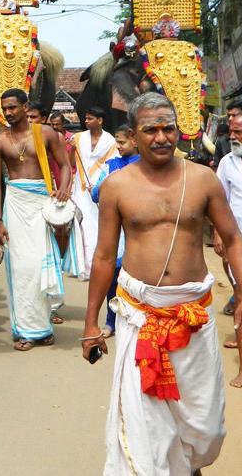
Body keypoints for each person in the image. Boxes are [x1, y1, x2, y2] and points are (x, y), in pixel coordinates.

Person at [82, 92, 242, 475]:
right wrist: (92, 323)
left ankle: (189, 465)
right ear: (132, 133)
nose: (161, 137)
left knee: (205, 426)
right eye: (150, 130)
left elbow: (232, 240)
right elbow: (104, 257)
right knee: (146, 425)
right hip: (140, 317)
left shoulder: (203, 180)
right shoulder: (116, 186)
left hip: (193, 316)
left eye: (168, 128)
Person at [0, 88, 71, 351]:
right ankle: (26, 330)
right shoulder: (0, 142)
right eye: (5, 108)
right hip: (14, 205)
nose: (9, 112)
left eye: (13, 107)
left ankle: (43, 326)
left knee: (40, 267)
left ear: (26, 107)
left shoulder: (46, 133)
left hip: (41, 203)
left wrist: (64, 189)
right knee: (21, 268)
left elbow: (66, 165)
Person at [215, 111, 242, 389]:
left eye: (239, 133)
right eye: (231, 132)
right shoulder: (227, 163)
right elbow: (218, 201)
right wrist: (219, 233)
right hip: (240, 244)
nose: (232, 137)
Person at [90, 125, 139, 337]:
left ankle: (135, 320)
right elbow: (94, 193)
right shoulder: (110, 165)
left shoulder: (144, 166)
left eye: (122, 142)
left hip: (137, 232)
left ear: (134, 141)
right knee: (112, 278)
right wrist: (112, 181)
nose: (118, 146)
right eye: (116, 142)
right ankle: (110, 322)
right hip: (114, 231)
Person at [214, 100, 242, 315]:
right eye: (228, 117)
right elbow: (220, 196)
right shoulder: (226, 155)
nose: (230, 121)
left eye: (235, 116)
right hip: (235, 228)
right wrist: (218, 231)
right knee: (234, 272)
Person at [71, 106, 118, 280]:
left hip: (99, 186)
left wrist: (100, 184)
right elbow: (71, 162)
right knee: (80, 224)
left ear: (100, 120)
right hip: (80, 186)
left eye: (90, 118)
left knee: (95, 225)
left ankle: (93, 266)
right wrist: (70, 149)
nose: (86, 121)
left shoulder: (110, 141)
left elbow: (110, 165)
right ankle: (81, 266)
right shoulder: (78, 138)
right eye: (86, 118)